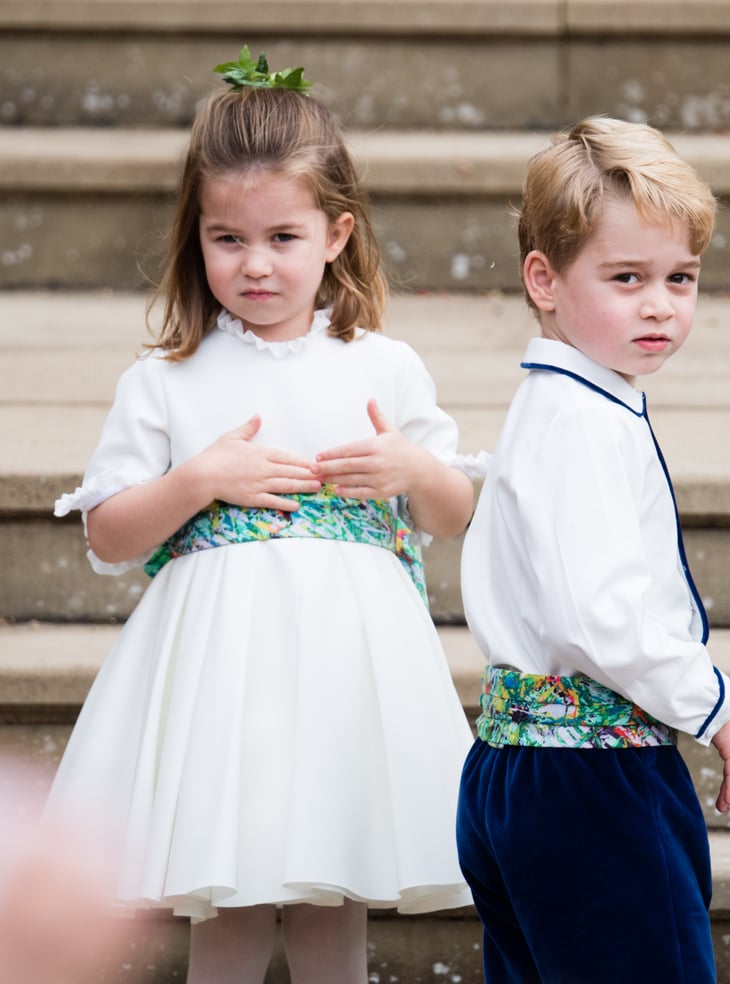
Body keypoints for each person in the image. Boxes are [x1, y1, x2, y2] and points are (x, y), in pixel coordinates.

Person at [47, 48, 476, 984]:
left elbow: (451, 512)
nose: (254, 264)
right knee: (230, 905)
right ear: (194, 237)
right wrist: (196, 480)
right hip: (221, 679)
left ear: (335, 234)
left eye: (283, 238)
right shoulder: (165, 379)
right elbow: (110, 535)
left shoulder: (383, 366)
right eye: (227, 239)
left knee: (334, 910)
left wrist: (411, 466)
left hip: (346, 669)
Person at [456, 116, 730, 984]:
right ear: (543, 279)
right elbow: (600, 612)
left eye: (680, 278)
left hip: (515, 771)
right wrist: (709, 701)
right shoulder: (585, 424)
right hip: (594, 784)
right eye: (627, 278)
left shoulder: (558, 405)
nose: (659, 303)